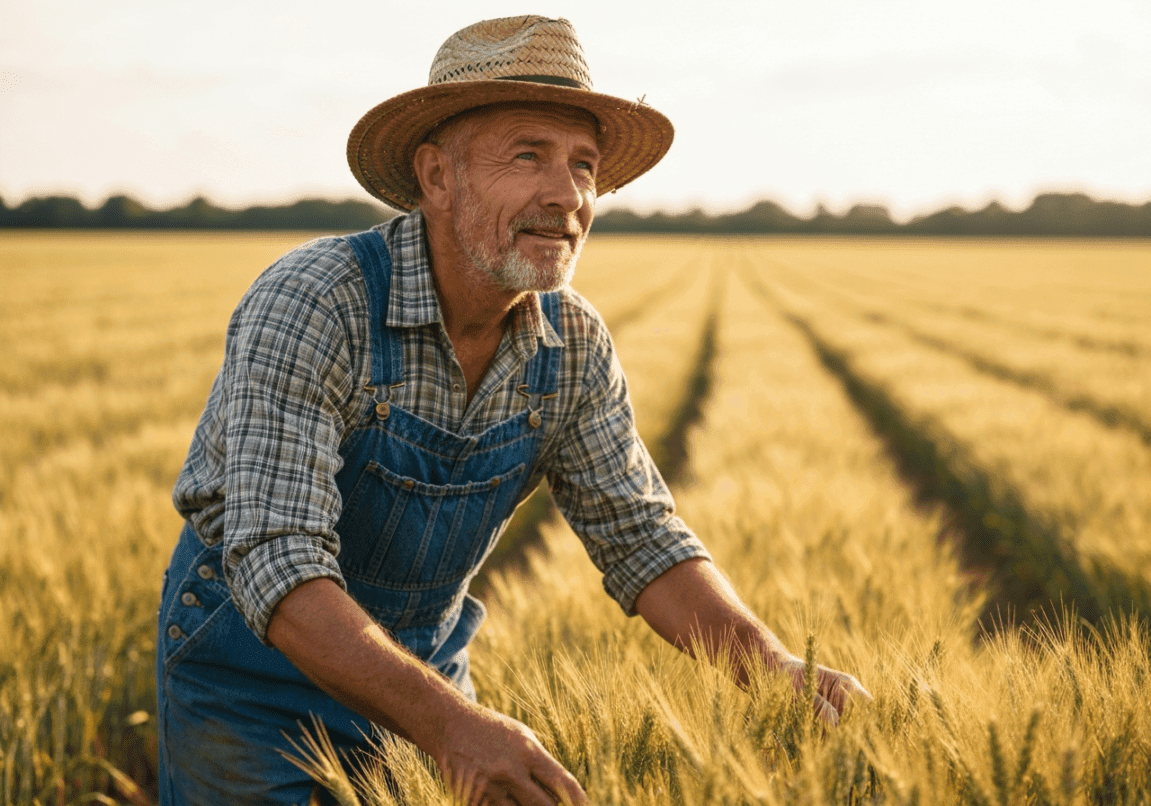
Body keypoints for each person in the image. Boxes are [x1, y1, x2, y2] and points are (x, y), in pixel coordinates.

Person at [156, 14, 870, 806]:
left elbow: (639, 534)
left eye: (584, 165)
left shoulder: (572, 343)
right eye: (527, 155)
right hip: (254, 693)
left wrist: (769, 666)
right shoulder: (317, 302)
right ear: (436, 176)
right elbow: (277, 560)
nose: (565, 195)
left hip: (427, 682)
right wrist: (454, 727)